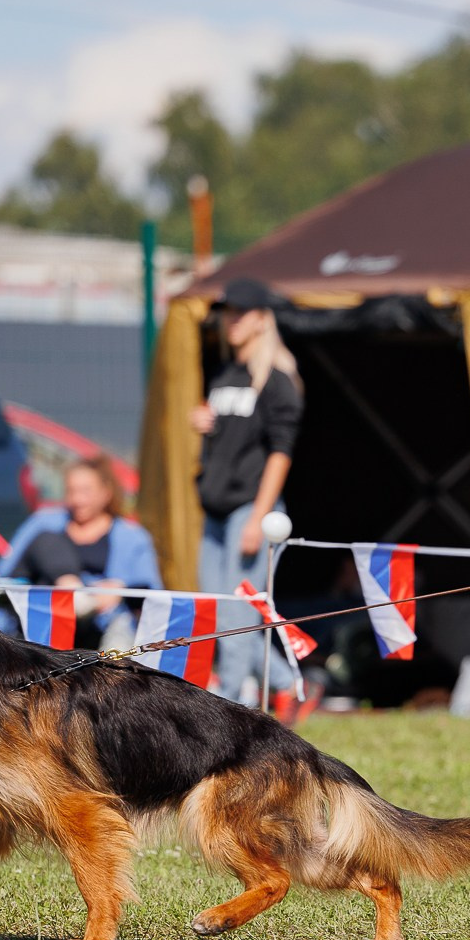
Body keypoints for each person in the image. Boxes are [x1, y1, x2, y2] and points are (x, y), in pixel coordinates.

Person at [192, 278, 303, 707]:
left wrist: (258, 516)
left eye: (240, 313)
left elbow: (280, 453)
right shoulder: (225, 372)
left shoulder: (278, 381)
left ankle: (227, 707)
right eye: (227, 313)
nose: (230, 321)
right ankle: (289, 685)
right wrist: (204, 420)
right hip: (215, 509)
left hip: (249, 510)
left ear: (261, 320)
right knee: (219, 612)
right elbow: (230, 437)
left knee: (237, 616)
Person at [0, 455, 160, 650]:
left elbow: (150, 592)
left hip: (101, 624)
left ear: (106, 492)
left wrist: (119, 590)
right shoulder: (43, 523)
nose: (77, 499)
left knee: (120, 625)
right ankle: (77, 596)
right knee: (47, 541)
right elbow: (5, 571)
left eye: (85, 491)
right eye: (71, 491)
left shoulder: (133, 537)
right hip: (44, 618)